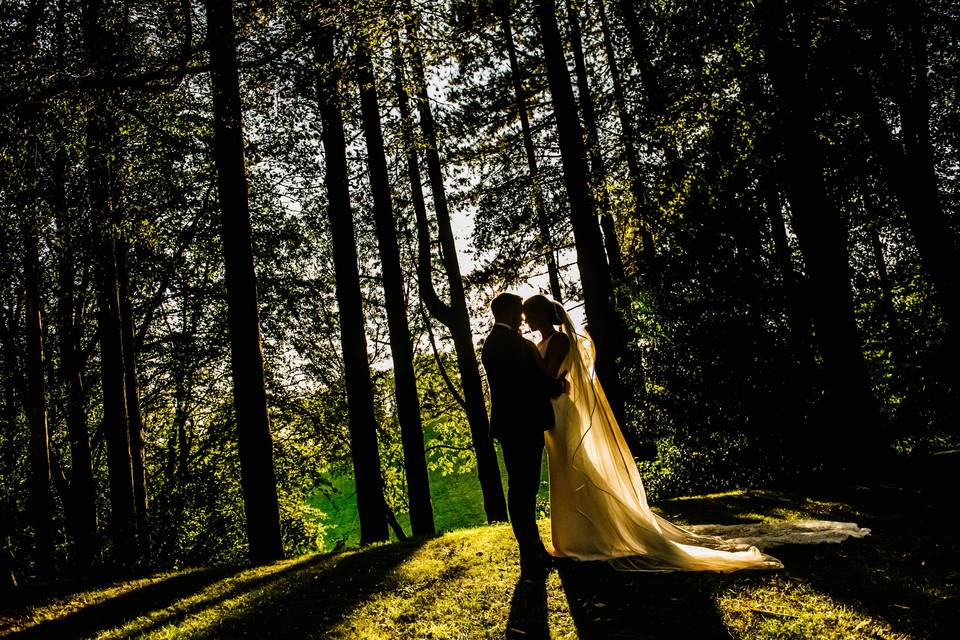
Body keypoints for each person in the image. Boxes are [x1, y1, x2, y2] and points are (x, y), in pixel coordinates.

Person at [480, 293, 566, 575]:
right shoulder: (510, 344)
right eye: (519, 311)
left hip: (514, 425)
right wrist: (557, 387)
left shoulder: (496, 343)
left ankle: (532, 550)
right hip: (521, 425)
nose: (523, 316)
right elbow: (531, 382)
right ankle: (531, 552)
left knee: (522, 488)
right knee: (522, 489)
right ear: (507, 311)